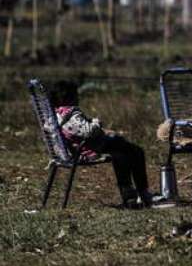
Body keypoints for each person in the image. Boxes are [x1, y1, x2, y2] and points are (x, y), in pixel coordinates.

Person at [49, 81, 154, 209]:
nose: (78, 98)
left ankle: (130, 195)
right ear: (68, 97)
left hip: (77, 149)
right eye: (75, 95)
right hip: (90, 149)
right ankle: (141, 193)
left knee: (122, 150)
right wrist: (96, 122)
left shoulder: (56, 114)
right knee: (135, 151)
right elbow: (88, 131)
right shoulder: (71, 113)